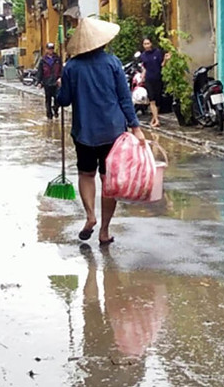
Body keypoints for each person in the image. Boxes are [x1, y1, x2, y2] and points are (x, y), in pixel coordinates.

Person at [57, 17, 146, 245]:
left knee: (86, 174)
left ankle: (90, 216)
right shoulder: (113, 63)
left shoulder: (72, 67)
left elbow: (64, 101)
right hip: (113, 133)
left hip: (84, 131)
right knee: (109, 181)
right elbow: (125, 98)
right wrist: (136, 127)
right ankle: (104, 231)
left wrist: (59, 87)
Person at [139, 37, 169, 128]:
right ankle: (156, 120)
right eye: (145, 44)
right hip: (149, 79)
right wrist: (142, 75)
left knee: (158, 100)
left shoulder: (157, 52)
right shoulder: (143, 55)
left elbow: (162, 65)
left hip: (158, 78)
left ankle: (154, 118)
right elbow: (144, 67)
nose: (147, 46)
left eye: (148, 43)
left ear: (151, 44)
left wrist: (166, 60)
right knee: (152, 100)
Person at [38, 42, 61, 119]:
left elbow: (61, 70)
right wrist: (39, 82)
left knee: (57, 98)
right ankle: (49, 114)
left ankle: (55, 109)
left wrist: (60, 78)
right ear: (46, 49)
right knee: (48, 99)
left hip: (56, 82)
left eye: (52, 49)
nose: (50, 50)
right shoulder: (43, 60)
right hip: (47, 82)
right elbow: (40, 72)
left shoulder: (57, 59)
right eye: (49, 49)